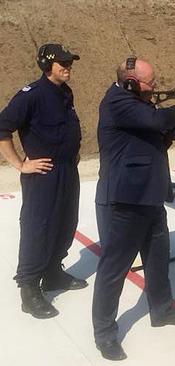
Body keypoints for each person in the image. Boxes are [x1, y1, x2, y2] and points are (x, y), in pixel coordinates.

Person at [92, 56, 175, 361]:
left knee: (158, 258)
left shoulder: (138, 102)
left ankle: (161, 310)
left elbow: (164, 133)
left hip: (149, 195)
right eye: (150, 83)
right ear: (131, 82)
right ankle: (105, 334)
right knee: (114, 269)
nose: (155, 87)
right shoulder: (117, 102)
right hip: (125, 200)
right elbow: (158, 121)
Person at [0, 43, 87, 320]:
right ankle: (29, 288)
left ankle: (52, 273)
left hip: (66, 170)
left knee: (66, 222)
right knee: (38, 228)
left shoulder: (65, 92)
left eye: (70, 62)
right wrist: (20, 164)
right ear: (47, 65)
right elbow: (3, 127)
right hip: (42, 174)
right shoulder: (31, 95)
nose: (68, 67)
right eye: (62, 63)